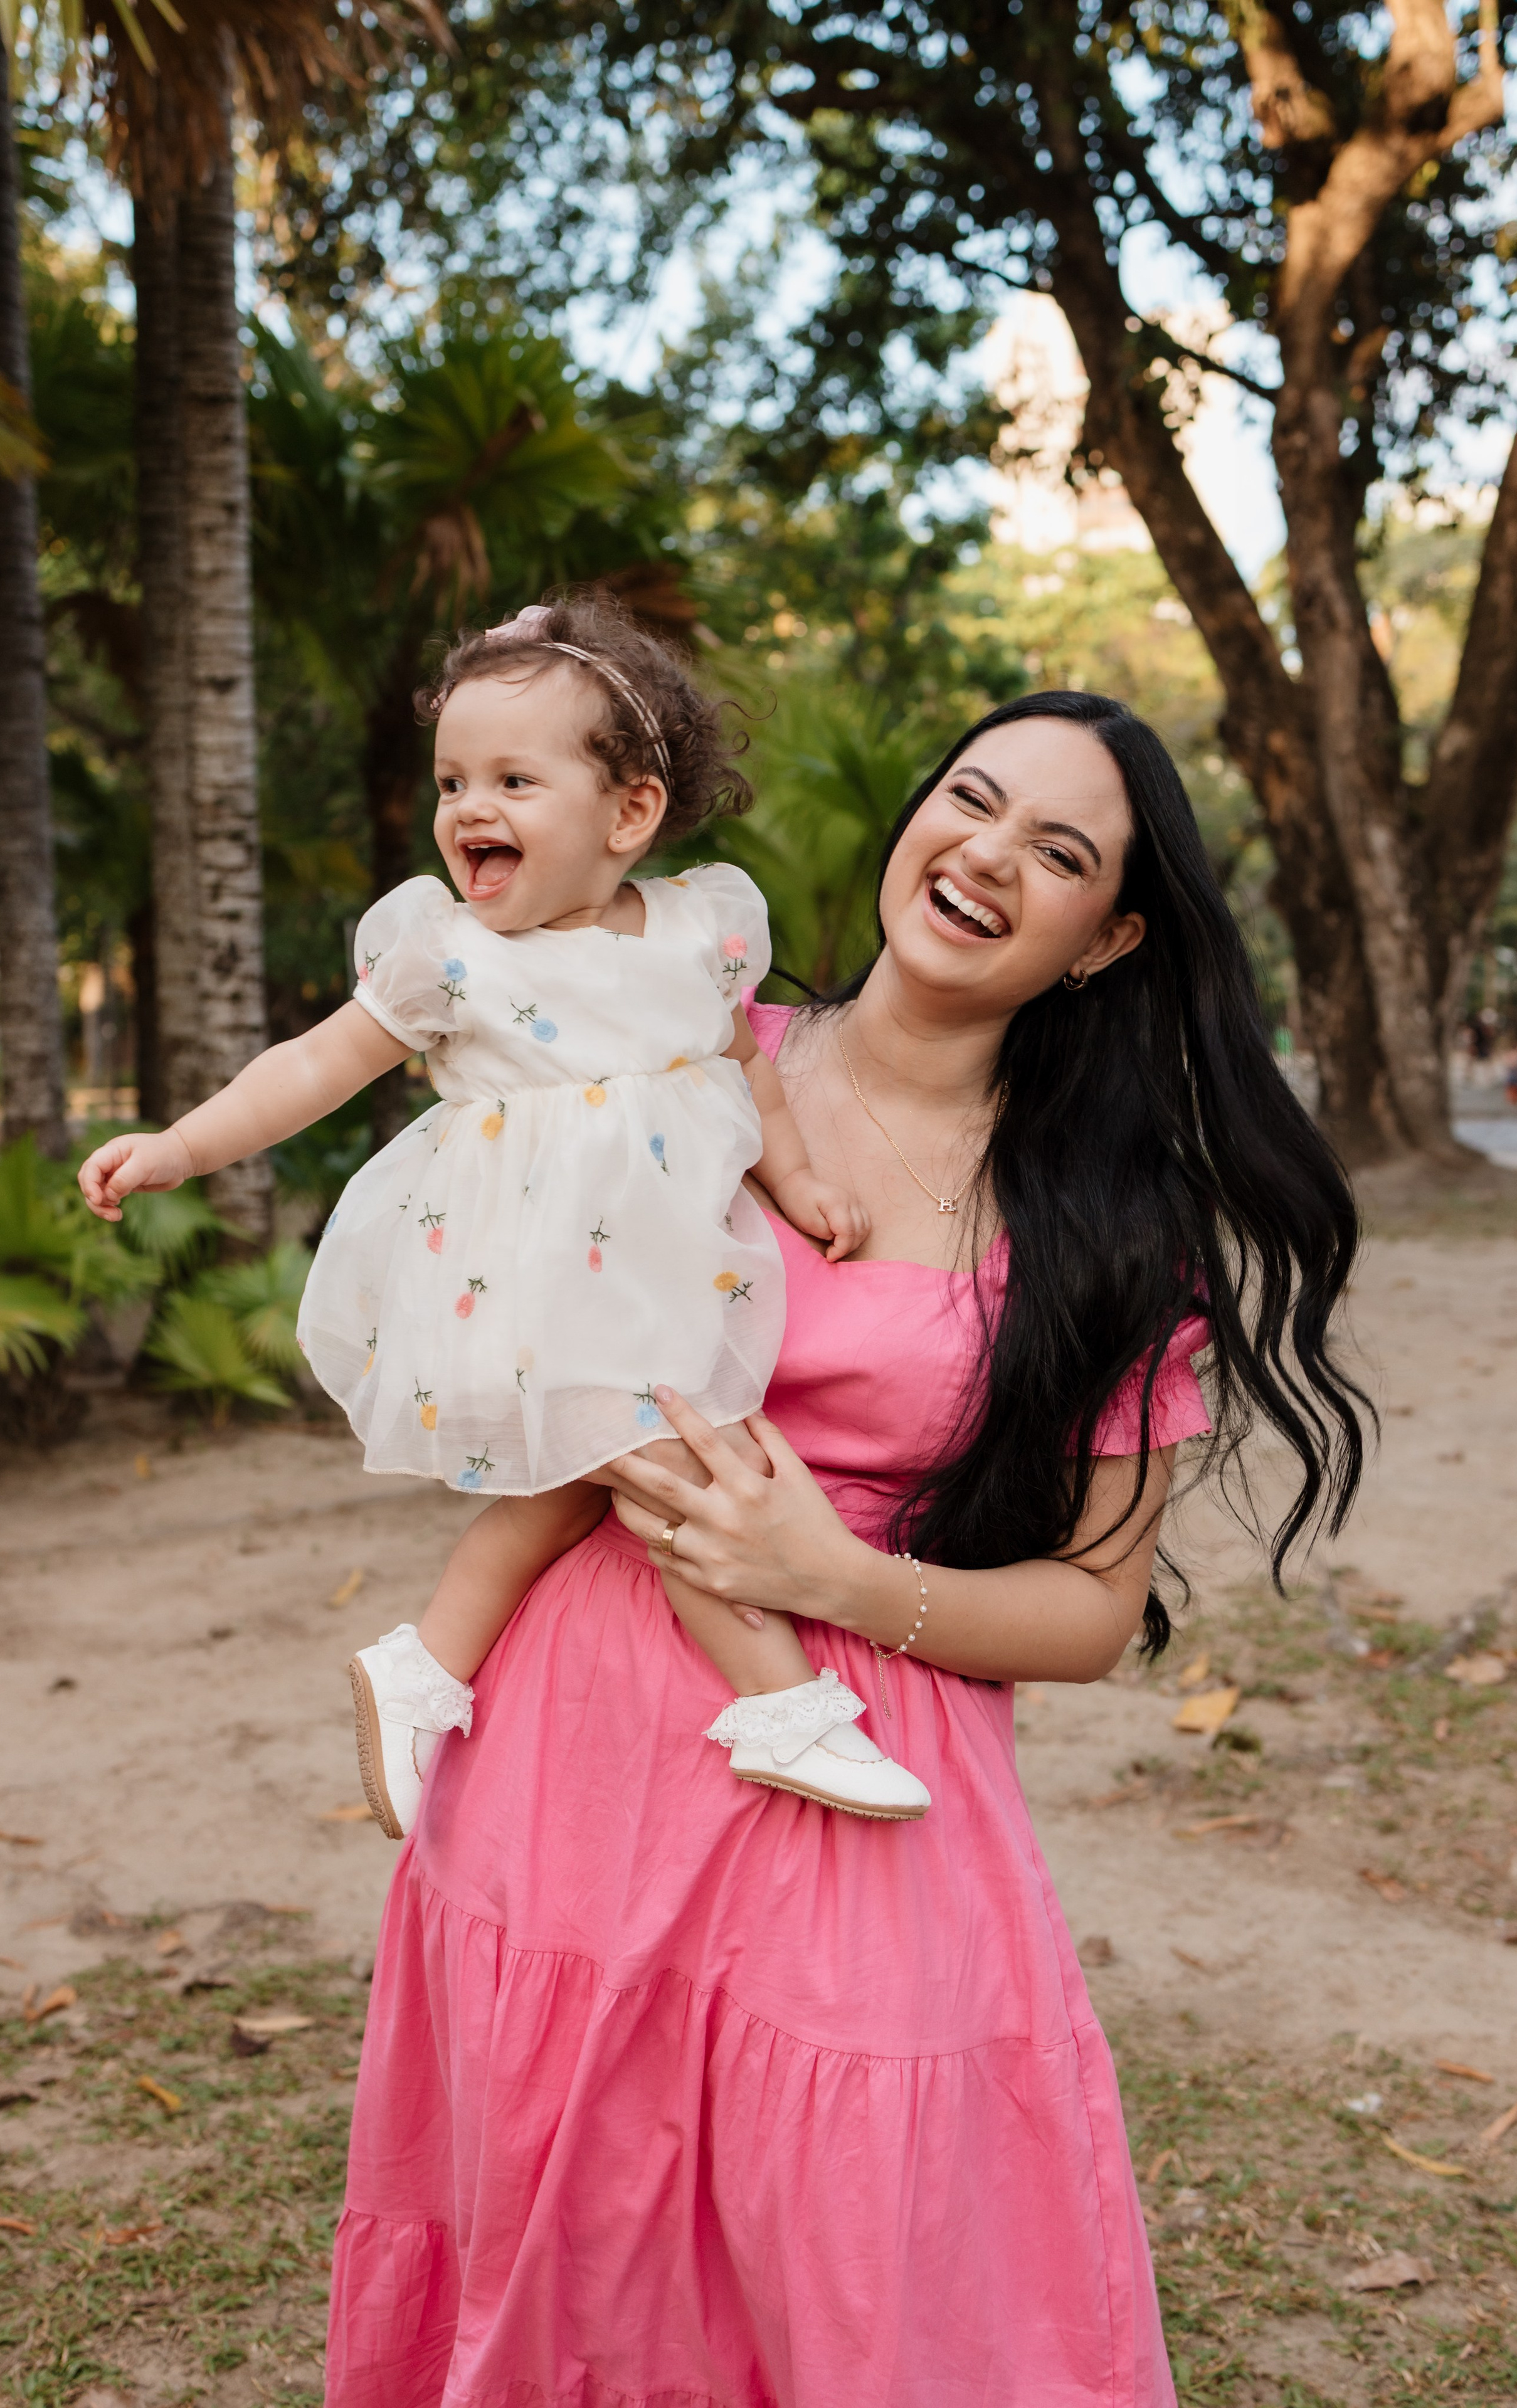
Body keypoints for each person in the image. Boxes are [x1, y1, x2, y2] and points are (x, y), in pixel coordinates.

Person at [320, 687, 1366, 2406]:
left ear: (1105, 937)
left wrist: (839, 1582)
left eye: (1057, 851)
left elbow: (1097, 1611)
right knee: (571, 2258)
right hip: (573, 1762)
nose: (985, 855)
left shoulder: (1111, 1224)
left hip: (857, 1754)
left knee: (873, 2265)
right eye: (971, 799)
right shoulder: (683, 1044)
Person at [77, 591, 929, 1827]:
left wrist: (792, 1181)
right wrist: (180, 1144)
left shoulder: (695, 933)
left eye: (513, 782)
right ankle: (777, 1701)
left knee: (569, 1487)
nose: (468, 809)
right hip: (531, 1277)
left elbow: (742, 1068)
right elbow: (313, 1066)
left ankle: (422, 1668)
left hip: (657, 1270)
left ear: (629, 812)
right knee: (684, 1467)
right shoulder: (453, 957)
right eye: (452, 780)